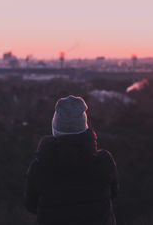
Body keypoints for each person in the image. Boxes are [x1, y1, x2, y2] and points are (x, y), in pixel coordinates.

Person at [25, 95, 119, 225]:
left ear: (55, 129)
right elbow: (113, 195)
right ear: (84, 127)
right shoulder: (104, 161)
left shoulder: (39, 168)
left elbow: (31, 206)